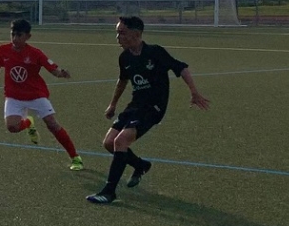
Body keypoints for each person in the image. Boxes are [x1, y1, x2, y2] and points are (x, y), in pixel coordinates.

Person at [87, 15, 209, 206]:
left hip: (154, 107)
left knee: (121, 141)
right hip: (135, 105)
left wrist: (194, 92)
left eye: (122, 33)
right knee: (109, 143)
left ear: (136, 34)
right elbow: (122, 81)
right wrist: (113, 104)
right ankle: (140, 165)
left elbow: (181, 68)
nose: (118, 37)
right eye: (117, 33)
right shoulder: (124, 57)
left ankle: (109, 192)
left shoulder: (155, 52)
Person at [0, 19, 84, 171]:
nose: (15, 38)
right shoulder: (2, 50)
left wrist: (61, 73)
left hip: (36, 95)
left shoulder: (35, 53)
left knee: (52, 124)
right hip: (14, 96)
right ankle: (28, 122)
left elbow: (53, 69)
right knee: (12, 127)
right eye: (12, 34)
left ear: (28, 36)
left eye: (19, 35)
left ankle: (75, 157)